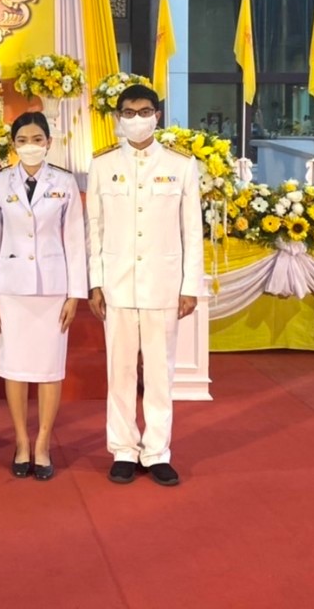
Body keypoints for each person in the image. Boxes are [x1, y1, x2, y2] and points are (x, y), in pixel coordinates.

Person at [87, 85, 203, 487]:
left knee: (159, 373)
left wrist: (190, 285)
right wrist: (96, 282)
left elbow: (192, 230)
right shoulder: (102, 164)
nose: (136, 119)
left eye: (144, 111)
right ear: (118, 117)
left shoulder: (181, 165)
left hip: (162, 284)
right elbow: (94, 228)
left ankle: (156, 451)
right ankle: (123, 449)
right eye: (128, 112)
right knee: (119, 371)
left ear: (157, 115)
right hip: (117, 284)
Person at [0, 113, 87, 481]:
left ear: (49, 142)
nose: (31, 146)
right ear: (14, 144)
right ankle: (21, 441)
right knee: (14, 367)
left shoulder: (64, 181)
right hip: (11, 287)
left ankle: (42, 443)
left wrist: (75, 293)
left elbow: (75, 238)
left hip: (52, 287)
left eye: (37, 139)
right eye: (23, 140)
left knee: (48, 369)